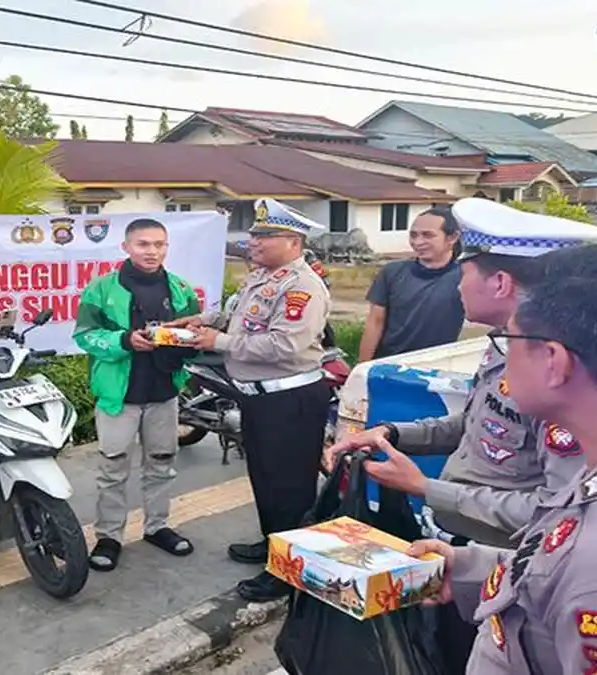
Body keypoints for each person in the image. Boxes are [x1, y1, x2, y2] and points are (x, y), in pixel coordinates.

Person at [325, 198, 597, 672]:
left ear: (499, 282)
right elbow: (474, 423)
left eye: (464, 273)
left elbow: (556, 509)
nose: (457, 286)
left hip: (506, 562)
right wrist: (392, 433)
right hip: (458, 546)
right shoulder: (504, 343)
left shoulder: (556, 372)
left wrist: (424, 487)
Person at [408, 242, 597, 674]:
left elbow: (596, 577)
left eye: (510, 339)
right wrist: (474, 568)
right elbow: (562, 567)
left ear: (553, 361)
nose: (503, 361)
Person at [170, 198, 331, 602]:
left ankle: (287, 574)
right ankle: (272, 544)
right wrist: (203, 321)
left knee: (290, 488)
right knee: (266, 480)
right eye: (254, 234)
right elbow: (241, 317)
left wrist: (218, 342)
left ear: (293, 241)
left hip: (290, 400)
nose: (253, 242)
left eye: (263, 235)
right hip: (260, 399)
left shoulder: (302, 287)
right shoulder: (263, 278)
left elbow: (286, 345)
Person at [73, 218, 201, 571]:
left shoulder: (180, 289)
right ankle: (109, 536)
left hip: (164, 392)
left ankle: (157, 526)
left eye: (159, 244)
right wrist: (125, 340)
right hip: (119, 396)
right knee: (113, 469)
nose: (152, 251)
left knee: (161, 463)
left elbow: (194, 333)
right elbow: (84, 335)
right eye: (143, 244)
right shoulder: (100, 289)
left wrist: (190, 340)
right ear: (126, 247)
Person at [357, 206, 465, 362]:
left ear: (452, 238)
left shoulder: (464, 277)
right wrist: (362, 367)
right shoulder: (392, 272)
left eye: (428, 235)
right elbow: (375, 322)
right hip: (389, 364)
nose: (418, 242)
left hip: (437, 367)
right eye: (413, 235)